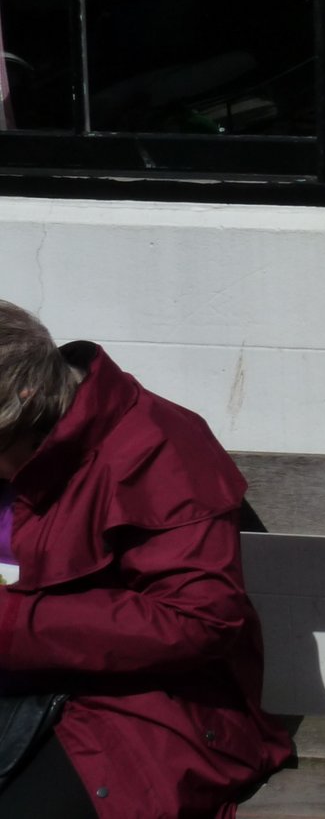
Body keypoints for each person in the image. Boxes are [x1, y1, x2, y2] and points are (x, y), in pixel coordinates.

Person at [0, 301, 292, 817]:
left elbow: (200, 620)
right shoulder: (17, 437)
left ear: (24, 402)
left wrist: (13, 623)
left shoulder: (159, 445)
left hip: (141, 705)